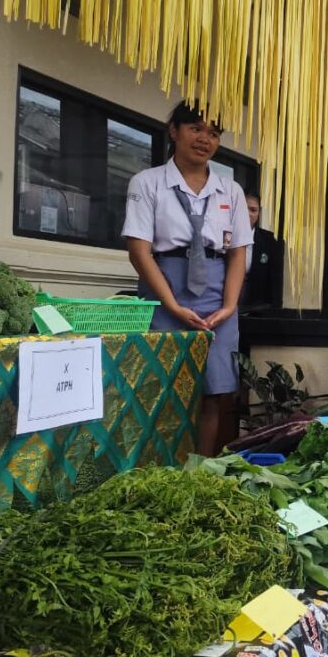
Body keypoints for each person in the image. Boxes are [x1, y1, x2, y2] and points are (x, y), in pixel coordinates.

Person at [123, 102, 252, 456]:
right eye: (195, 128)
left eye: (213, 133)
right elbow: (139, 250)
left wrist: (229, 306)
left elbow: (238, 252)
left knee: (214, 393)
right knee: (160, 388)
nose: (205, 139)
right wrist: (172, 305)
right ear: (174, 130)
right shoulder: (147, 183)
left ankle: (200, 468)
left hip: (217, 292)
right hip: (165, 287)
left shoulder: (232, 191)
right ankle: (158, 468)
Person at [240, 190, 284, 311]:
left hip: (257, 308)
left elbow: (275, 281)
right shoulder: (223, 237)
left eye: (253, 210)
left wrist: (275, 310)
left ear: (259, 213)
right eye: (244, 208)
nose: (248, 214)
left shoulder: (271, 241)